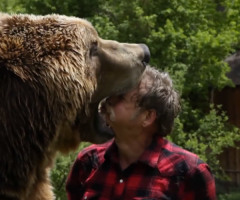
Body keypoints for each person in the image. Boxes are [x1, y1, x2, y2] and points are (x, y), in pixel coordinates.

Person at [66, 66, 216, 200]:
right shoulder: (88, 162)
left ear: (147, 117)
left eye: (121, 97)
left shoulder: (190, 172)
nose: (110, 99)